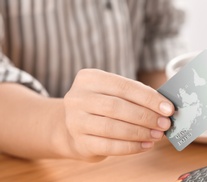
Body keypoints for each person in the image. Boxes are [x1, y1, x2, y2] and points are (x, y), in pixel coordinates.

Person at [0, 0, 186, 161]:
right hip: (41, 166)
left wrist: (178, 109)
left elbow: (159, 35)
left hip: (137, 159)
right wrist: (65, 129)